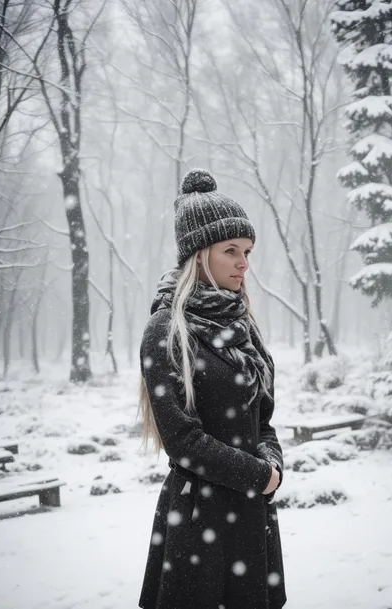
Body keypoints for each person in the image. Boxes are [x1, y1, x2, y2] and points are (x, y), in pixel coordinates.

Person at [137, 168, 286, 609]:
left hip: (252, 517)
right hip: (198, 519)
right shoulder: (166, 330)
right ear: (200, 254)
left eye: (248, 251)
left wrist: (272, 462)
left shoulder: (243, 326)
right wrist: (259, 476)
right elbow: (182, 440)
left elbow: (264, 421)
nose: (244, 262)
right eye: (231, 251)